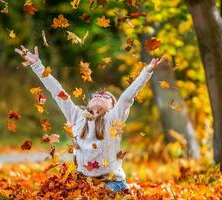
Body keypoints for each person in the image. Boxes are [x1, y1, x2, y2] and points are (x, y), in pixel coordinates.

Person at [14, 45, 165, 193]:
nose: (99, 96)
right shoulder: (77, 115)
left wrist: (147, 71)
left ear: (112, 106)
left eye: (105, 96)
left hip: (111, 183)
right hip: (84, 183)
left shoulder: (113, 119)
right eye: (96, 95)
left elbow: (127, 96)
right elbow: (57, 92)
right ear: (88, 103)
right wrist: (37, 65)